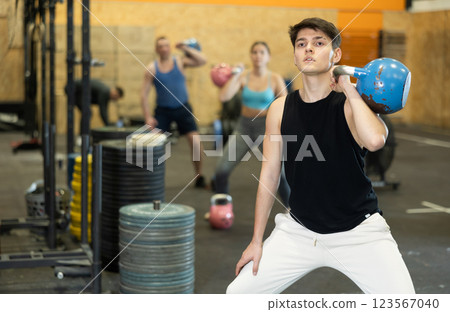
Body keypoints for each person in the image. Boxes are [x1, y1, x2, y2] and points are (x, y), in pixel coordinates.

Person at [226, 18, 415, 294]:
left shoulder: (351, 105)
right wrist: (256, 240)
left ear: (336, 54)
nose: (308, 50)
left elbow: (375, 141)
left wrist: (349, 89)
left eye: (318, 43)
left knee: (403, 304)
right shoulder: (280, 109)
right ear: (294, 55)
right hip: (299, 230)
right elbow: (268, 174)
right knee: (238, 295)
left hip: (358, 232)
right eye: (301, 44)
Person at [212, 41, 290, 206]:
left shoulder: (275, 79)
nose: (258, 56)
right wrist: (234, 74)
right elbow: (223, 97)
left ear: (268, 56)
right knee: (221, 171)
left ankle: (291, 210)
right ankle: (222, 208)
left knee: (281, 174)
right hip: (244, 128)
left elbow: (285, 105)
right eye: (254, 52)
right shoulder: (243, 76)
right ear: (250, 56)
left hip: (265, 129)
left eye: (262, 52)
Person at [140, 36, 207, 188]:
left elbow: (202, 60)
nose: (164, 48)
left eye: (166, 46)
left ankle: (199, 176)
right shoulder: (152, 68)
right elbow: (143, 94)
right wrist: (147, 117)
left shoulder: (180, 62)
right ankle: (151, 180)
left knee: (196, 142)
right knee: (153, 143)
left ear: (170, 48)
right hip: (163, 111)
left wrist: (185, 48)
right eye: (160, 46)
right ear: (157, 50)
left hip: (183, 108)